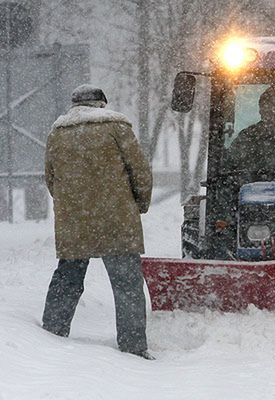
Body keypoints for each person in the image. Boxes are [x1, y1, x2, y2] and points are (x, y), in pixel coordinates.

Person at [42, 84, 154, 360]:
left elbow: (51, 178)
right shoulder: (117, 127)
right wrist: (138, 204)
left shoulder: (58, 133)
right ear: (101, 103)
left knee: (68, 278)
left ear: (75, 105)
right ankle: (133, 346)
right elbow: (139, 171)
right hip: (117, 219)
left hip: (75, 222)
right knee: (126, 284)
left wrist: (73, 207)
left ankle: (51, 334)